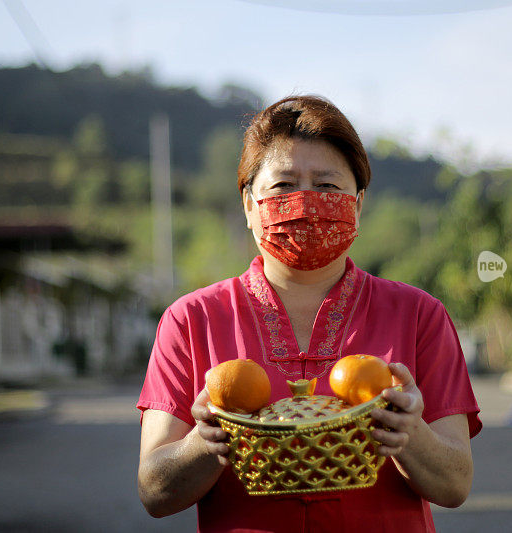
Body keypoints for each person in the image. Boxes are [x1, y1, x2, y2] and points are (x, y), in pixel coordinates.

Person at [137, 95, 482, 533]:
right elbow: (154, 491)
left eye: (327, 186)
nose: (305, 202)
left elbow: (455, 485)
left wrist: (410, 435)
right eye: (283, 186)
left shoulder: (419, 315)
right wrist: (202, 444)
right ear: (248, 204)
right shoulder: (191, 320)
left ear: (357, 204)